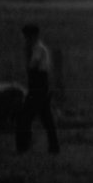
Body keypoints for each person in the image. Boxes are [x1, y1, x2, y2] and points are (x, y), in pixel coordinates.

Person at [16, 22, 59, 154]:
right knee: (46, 119)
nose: (25, 40)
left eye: (27, 37)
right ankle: (53, 148)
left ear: (33, 36)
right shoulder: (38, 48)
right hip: (40, 87)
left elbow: (32, 66)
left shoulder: (38, 49)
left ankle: (23, 147)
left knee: (25, 117)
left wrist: (27, 53)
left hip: (38, 88)